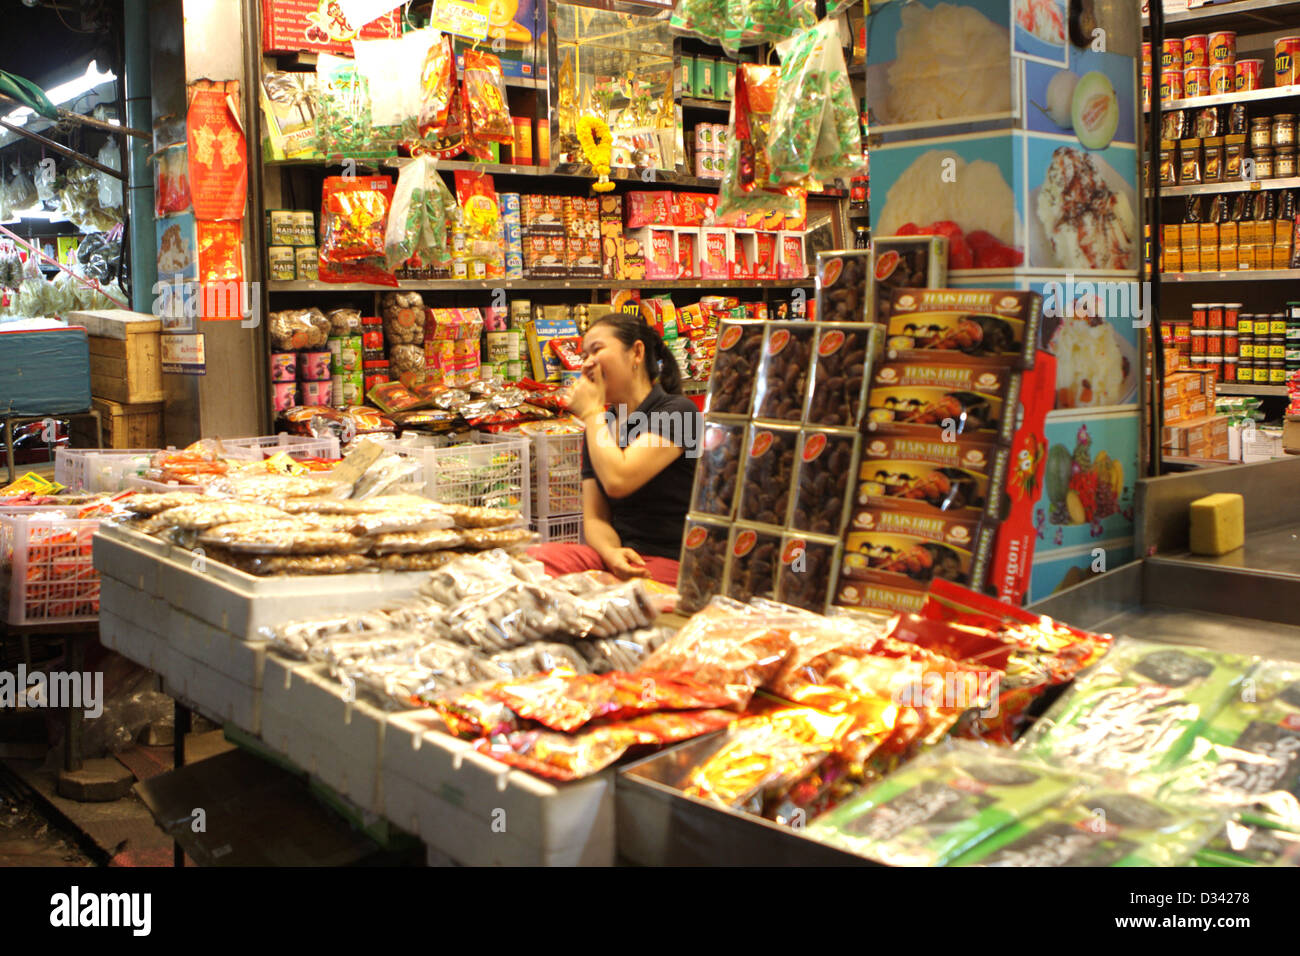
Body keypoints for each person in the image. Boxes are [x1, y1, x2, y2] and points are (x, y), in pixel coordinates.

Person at [528, 313, 700, 586]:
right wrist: (611, 553)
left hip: (670, 559)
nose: (587, 363)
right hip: (618, 556)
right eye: (584, 355)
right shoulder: (602, 424)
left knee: (619, 597)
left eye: (596, 350)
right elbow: (595, 517)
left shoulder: (679, 411)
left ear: (637, 352)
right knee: (532, 563)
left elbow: (619, 480)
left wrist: (593, 412)